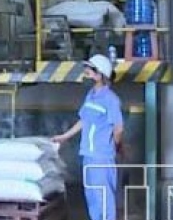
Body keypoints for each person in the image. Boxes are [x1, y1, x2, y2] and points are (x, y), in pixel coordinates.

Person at [52, 54, 124, 220]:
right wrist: (64, 136)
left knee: (104, 199)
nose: (86, 74)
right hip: (88, 156)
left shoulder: (111, 100)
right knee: (92, 198)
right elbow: (84, 120)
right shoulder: (91, 95)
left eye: (89, 71)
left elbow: (118, 128)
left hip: (101, 158)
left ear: (100, 75)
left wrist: (113, 146)